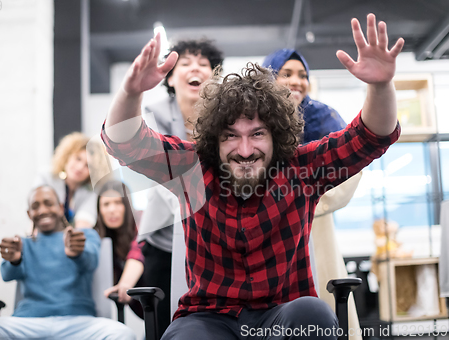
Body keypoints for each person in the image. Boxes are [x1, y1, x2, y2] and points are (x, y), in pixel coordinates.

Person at [101, 13, 403, 340]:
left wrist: (381, 85)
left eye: (257, 134)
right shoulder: (191, 168)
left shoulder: (301, 168)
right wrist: (131, 93)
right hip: (208, 319)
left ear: (277, 135)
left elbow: (370, 137)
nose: (245, 150)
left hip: (284, 314)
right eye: (231, 136)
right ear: (214, 140)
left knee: (313, 313)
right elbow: (124, 143)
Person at [262, 49, 363, 338]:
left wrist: (306, 200)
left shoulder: (324, 117)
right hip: (266, 227)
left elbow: (352, 170)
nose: (297, 81)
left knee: (321, 305)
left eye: (303, 75)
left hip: (315, 227)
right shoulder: (255, 121)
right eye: (287, 73)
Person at [0, 185, 135, 340]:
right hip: (27, 323)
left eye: (48, 203)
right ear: (29, 214)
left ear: (61, 208)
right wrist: (15, 260)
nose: (42, 210)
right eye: (35, 206)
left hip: (78, 323)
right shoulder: (22, 244)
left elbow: (90, 262)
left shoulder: (83, 236)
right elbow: (6, 275)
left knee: (122, 334)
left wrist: (77, 253)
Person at [137, 38, 223, 338]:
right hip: (165, 236)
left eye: (203, 64)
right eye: (185, 63)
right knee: (163, 321)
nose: (194, 68)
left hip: (214, 236)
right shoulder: (154, 112)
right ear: (171, 77)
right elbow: (152, 167)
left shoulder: (225, 115)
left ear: (215, 76)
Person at [34, 132, 108, 229]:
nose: (80, 167)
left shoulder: (92, 190)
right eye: (78, 159)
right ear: (67, 156)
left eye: (88, 166)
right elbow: (37, 213)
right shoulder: (46, 177)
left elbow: (85, 221)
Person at [94, 180, 145, 319]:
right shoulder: (101, 239)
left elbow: (138, 249)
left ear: (127, 205)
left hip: (163, 306)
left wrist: (125, 285)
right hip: (141, 311)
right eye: (106, 204)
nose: (112, 209)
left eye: (117, 202)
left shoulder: (143, 220)